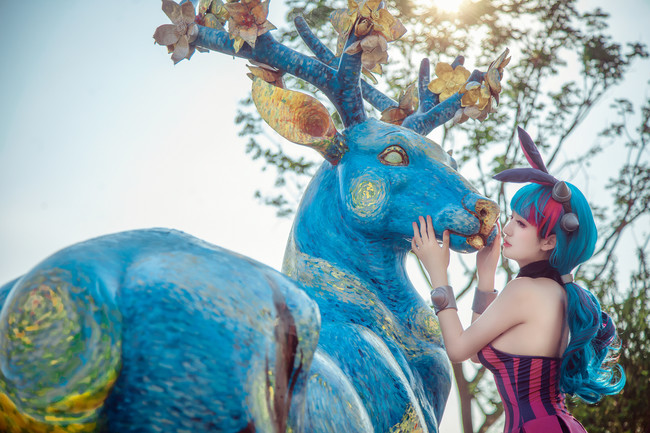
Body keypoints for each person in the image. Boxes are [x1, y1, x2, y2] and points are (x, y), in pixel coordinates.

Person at [411, 127, 625, 433]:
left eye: (521, 223)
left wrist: (438, 273)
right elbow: (475, 353)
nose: (508, 229)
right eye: (511, 217)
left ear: (549, 241)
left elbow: (457, 350)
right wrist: (486, 276)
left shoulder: (525, 290)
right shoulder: (556, 292)